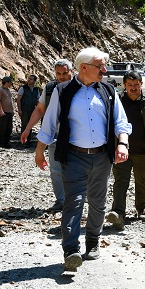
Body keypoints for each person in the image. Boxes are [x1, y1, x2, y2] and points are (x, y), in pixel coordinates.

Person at [34, 47, 131, 272]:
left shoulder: (108, 90)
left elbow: (120, 121)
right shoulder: (63, 90)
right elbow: (49, 123)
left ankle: (93, 241)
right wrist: (39, 151)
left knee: (98, 202)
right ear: (84, 67)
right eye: (100, 66)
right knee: (74, 202)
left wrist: (123, 143)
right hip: (74, 156)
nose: (105, 70)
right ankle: (71, 250)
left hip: (102, 157)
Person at [107, 71, 145, 231]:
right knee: (121, 181)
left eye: (136, 85)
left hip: (144, 149)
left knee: (142, 182)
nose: (133, 88)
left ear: (141, 84)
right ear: (124, 86)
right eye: (129, 85)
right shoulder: (118, 100)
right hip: (121, 150)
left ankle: (142, 209)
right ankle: (118, 212)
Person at [20, 59, 73, 212]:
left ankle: (75, 200)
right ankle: (61, 201)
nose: (61, 77)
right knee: (56, 170)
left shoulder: (80, 86)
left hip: (76, 136)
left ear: (71, 71)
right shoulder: (50, 88)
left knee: (76, 169)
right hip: (55, 134)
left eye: (65, 73)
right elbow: (40, 109)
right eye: (58, 74)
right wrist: (28, 128)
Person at [16, 74, 40, 145]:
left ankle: (28, 141)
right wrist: (19, 109)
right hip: (24, 110)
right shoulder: (23, 88)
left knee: (30, 125)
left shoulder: (36, 90)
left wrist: (38, 110)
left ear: (34, 81)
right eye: (28, 78)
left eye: (31, 79)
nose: (29, 80)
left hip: (32, 110)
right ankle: (23, 142)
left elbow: (38, 100)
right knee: (24, 125)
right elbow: (18, 99)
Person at [0, 77, 14, 148]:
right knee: (3, 128)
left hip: (9, 112)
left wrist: (12, 110)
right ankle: (1, 144)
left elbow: (9, 101)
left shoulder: (8, 90)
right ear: (7, 82)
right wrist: (1, 111)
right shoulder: (0, 90)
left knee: (9, 128)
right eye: (10, 82)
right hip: (3, 112)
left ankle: (7, 143)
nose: (11, 84)